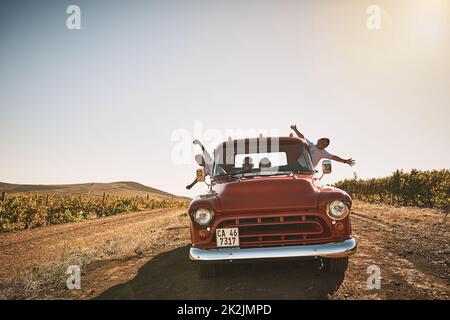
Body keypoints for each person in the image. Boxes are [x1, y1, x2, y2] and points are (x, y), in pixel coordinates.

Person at [290, 124, 356, 168]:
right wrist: (295, 129)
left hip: (307, 170)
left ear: (325, 147)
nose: (323, 144)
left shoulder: (323, 153)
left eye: (325, 144)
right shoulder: (310, 144)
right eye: (322, 142)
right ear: (318, 140)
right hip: (297, 165)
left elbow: (334, 157)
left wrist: (345, 161)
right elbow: (302, 137)